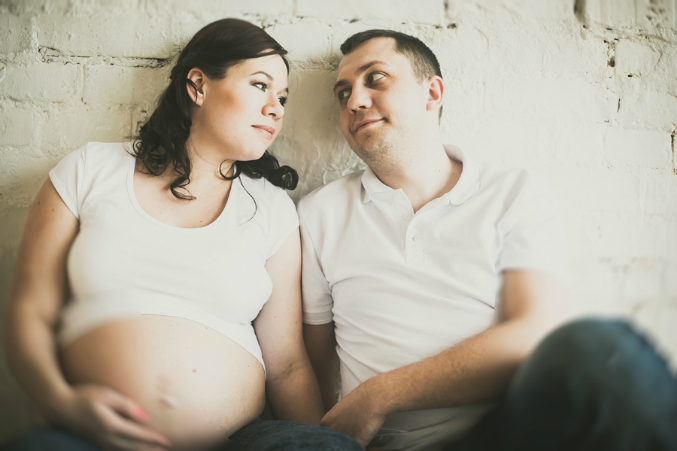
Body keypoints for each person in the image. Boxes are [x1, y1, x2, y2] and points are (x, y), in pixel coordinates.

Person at [299, 29, 677, 451]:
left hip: (505, 435)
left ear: (432, 93)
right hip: (383, 446)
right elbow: (312, 368)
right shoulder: (320, 214)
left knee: (604, 350)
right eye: (343, 93)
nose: (354, 101)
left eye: (376, 79)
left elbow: (532, 332)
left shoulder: (514, 194)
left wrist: (381, 394)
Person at [3, 18, 362, 451]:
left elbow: (286, 365)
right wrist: (62, 403)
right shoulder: (90, 170)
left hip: (237, 442)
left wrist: (324, 440)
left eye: (282, 97)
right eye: (260, 85)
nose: (277, 108)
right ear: (197, 86)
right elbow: (31, 312)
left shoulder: (272, 210)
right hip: (89, 437)